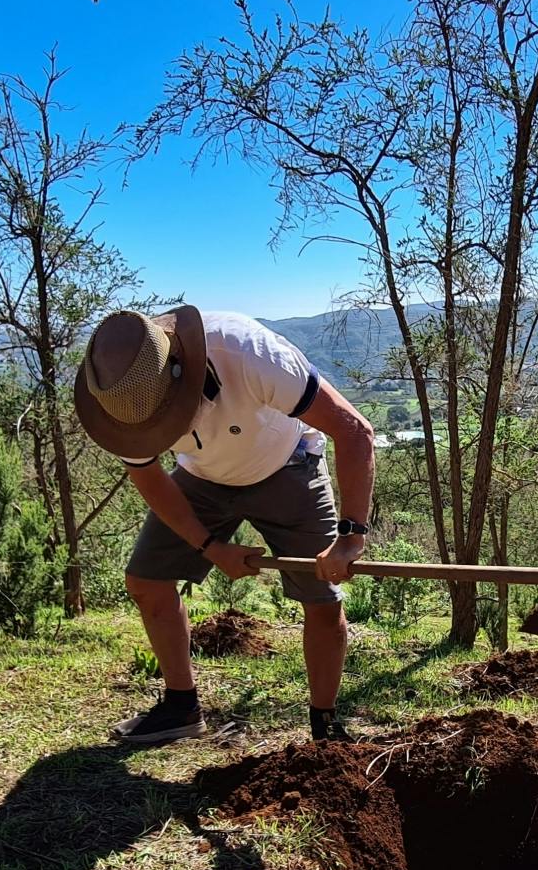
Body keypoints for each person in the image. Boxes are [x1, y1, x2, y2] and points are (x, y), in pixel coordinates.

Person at [75, 304, 376, 745]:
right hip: (202, 477)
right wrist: (210, 546)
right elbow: (149, 477)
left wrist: (350, 539)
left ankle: (324, 728)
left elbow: (354, 430)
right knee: (146, 580)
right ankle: (181, 707)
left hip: (286, 463)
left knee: (323, 598)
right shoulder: (118, 400)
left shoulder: (250, 353)